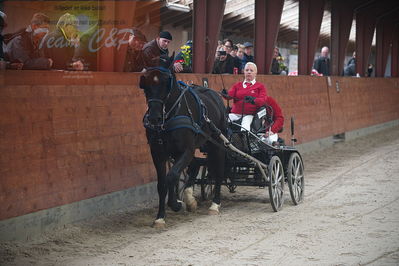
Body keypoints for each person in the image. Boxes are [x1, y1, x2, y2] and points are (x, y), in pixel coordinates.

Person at [222, 62, 266, 131]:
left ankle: (244, 140)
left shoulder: (260, 86)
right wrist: (225, 94)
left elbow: (263, 100)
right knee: (223, 120)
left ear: (255, 73)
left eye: (251, 70)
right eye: (247, 70)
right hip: (235, 113)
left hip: (250, 115)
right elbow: (229, 96)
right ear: (244, 72)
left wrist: (253, 99)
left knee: (245, 125)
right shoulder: (237, 85)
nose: (249, 72)